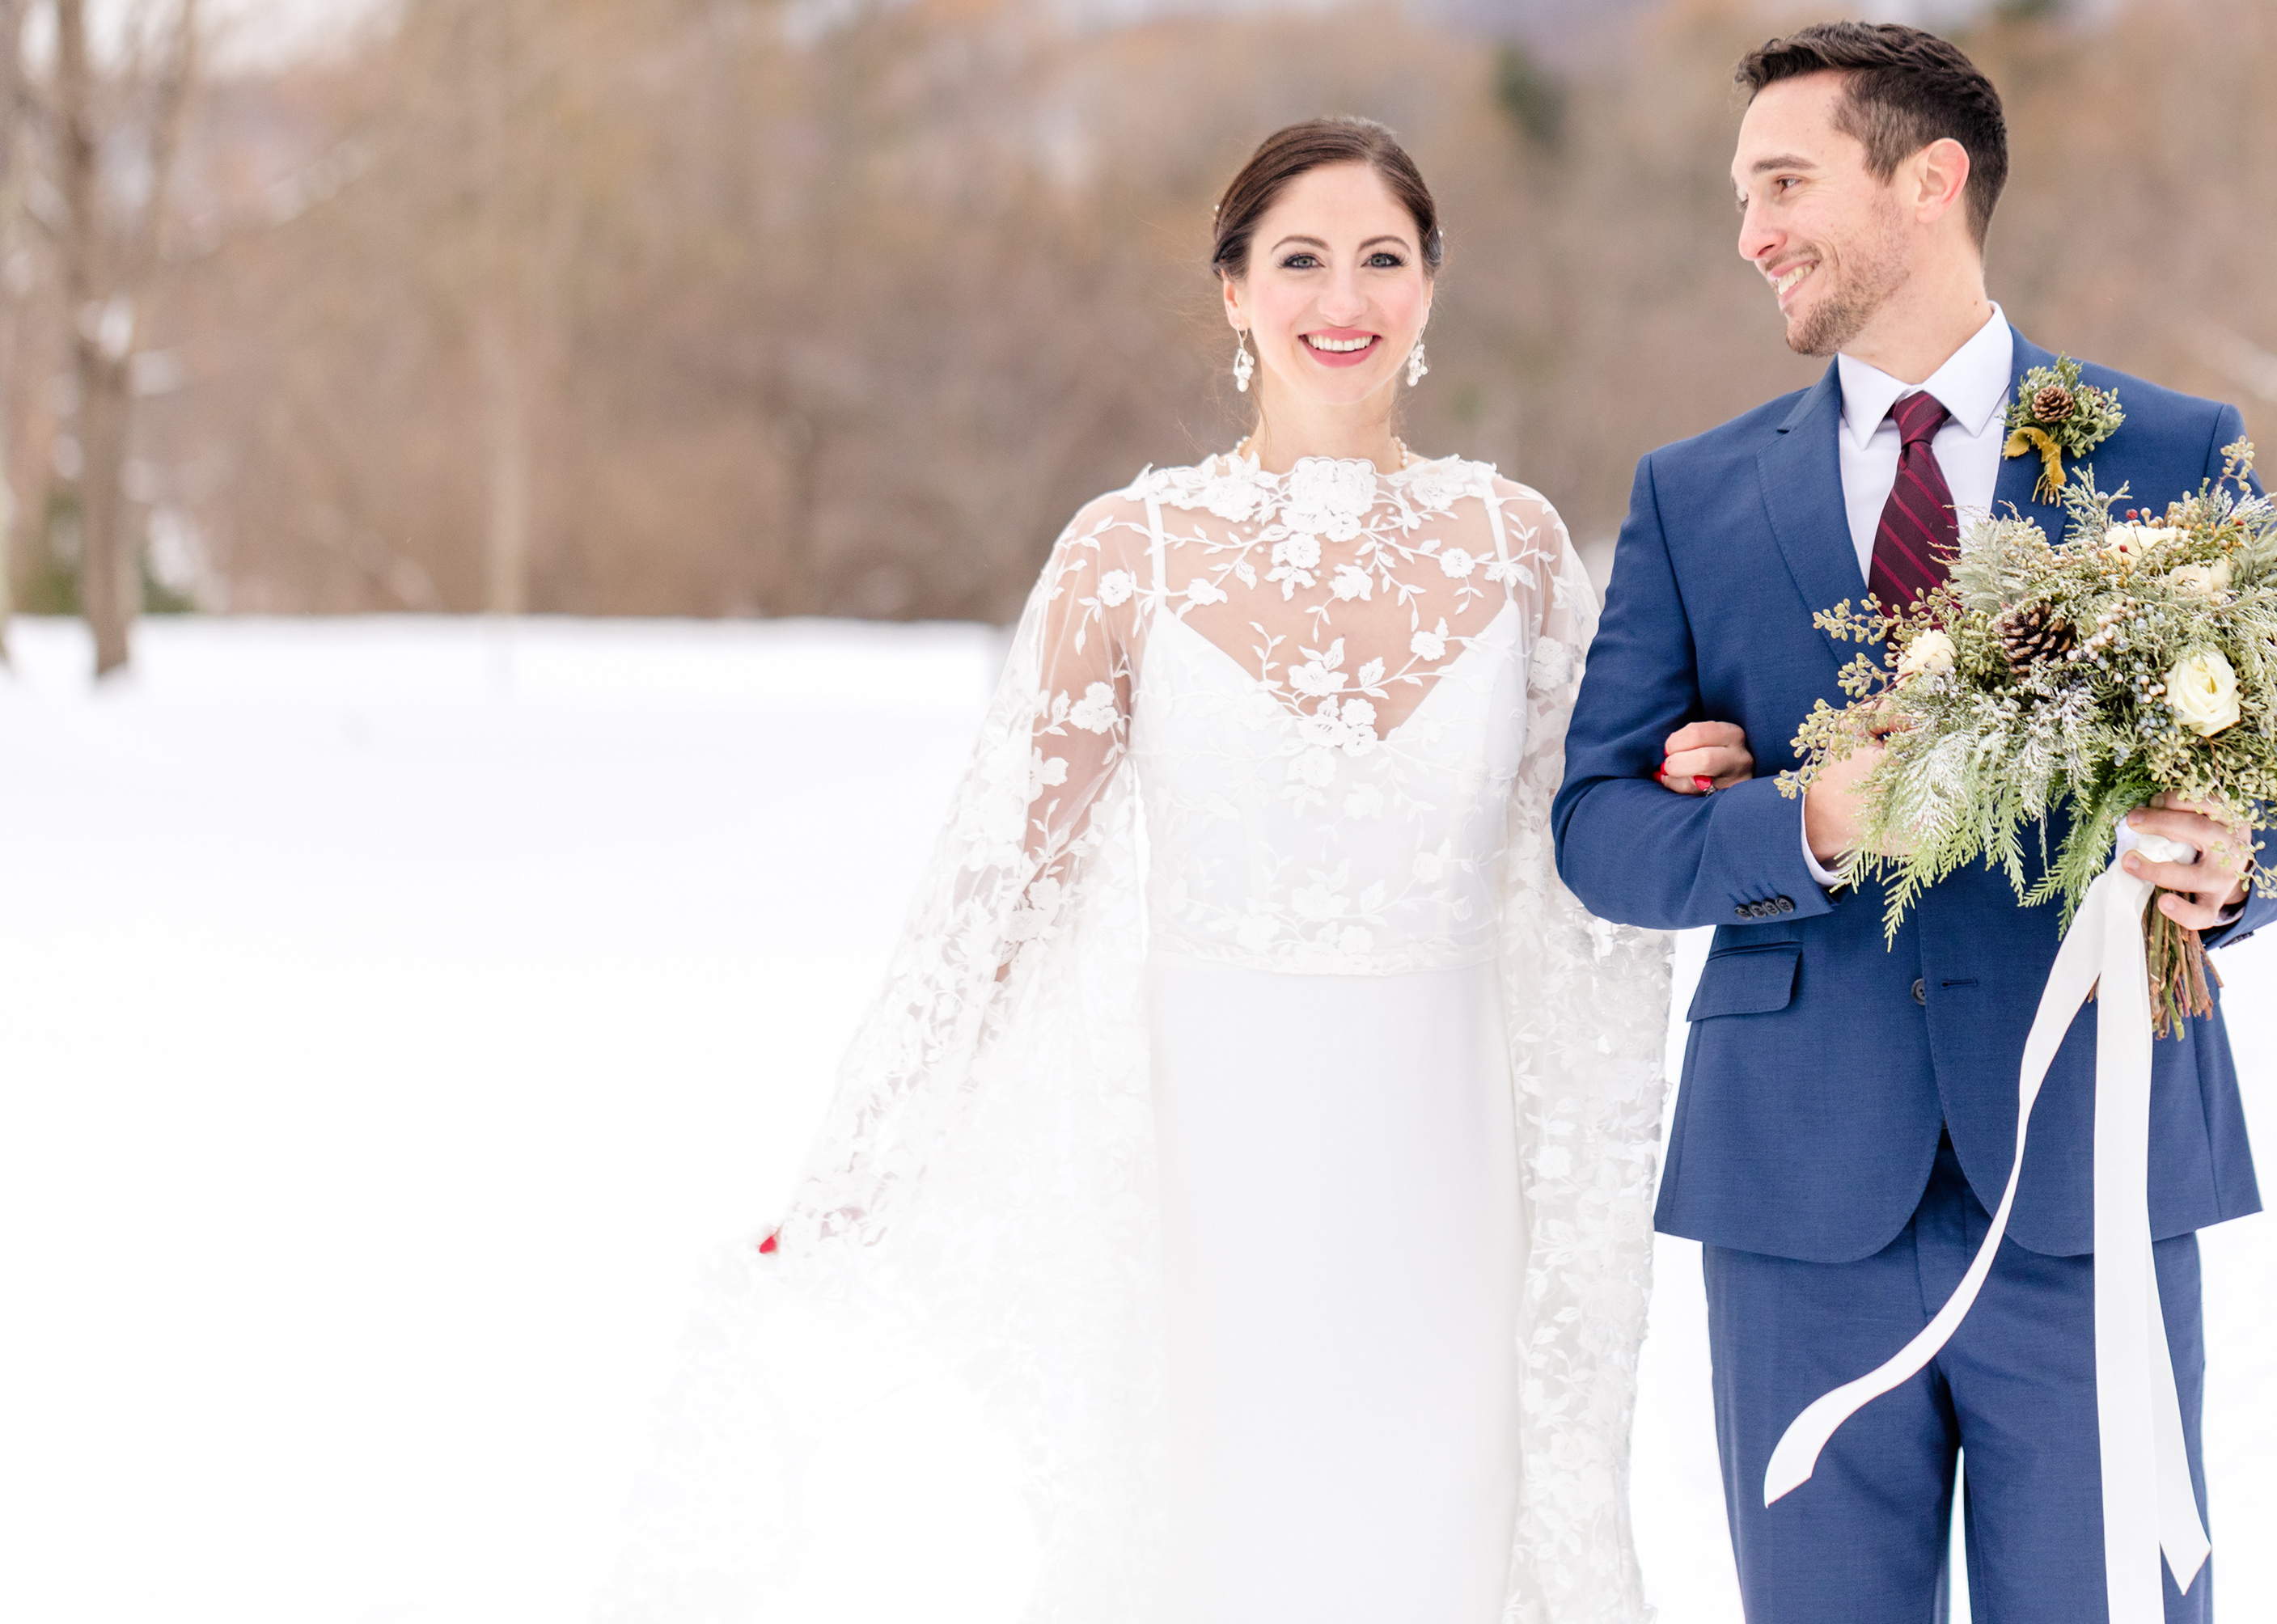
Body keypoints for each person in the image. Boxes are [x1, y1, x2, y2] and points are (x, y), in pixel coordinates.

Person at [606, 118, 1704, 1623]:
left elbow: (1589, 850)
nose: (1346, 295)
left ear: (1431, 289)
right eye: (1301, 259)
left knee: (1436, 1548)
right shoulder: (1132, 553)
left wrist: (1689, 778)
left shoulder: (1513, 550)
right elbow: (998, 885)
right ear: (1236, 293)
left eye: (1384, 258)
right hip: (1211, 1173)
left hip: (1447, 1176)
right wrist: (863, 1158)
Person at [1553, 24, 2277, 1623]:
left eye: (1784, 182)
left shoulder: (2171, 452)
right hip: (1799, 1192)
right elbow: (1599, 828)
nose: (1750, 231)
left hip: (2093, 1170)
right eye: (1742, 191)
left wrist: (2243, 866)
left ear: (1930, 179)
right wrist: (1802, 820)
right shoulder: (1692, 496)